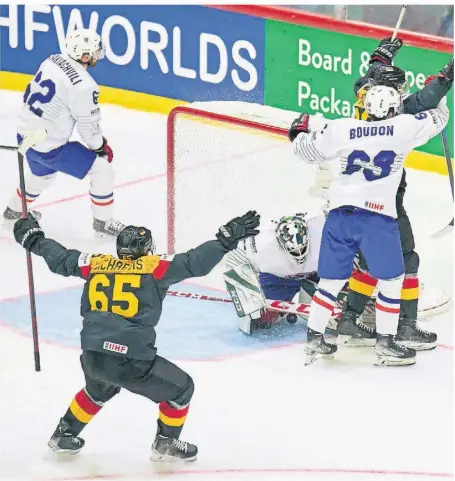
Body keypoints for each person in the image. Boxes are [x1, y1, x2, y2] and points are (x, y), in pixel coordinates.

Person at [13, 210, 260, 461]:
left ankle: (63, 434)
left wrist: (33, 238)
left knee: (98, 389)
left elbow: (61, 258)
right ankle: (166, 443)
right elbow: (195, 261)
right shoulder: (155, 267)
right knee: (182, 389)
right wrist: (224, 241)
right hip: (130, 361)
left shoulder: (94, 263)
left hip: (93, 355)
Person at [290, 84, 449, 366]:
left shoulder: (342, 128)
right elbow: (439, 117)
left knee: (330, 282)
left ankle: (314, 337)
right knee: (390, 281)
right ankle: (386, 343)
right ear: (391, 108)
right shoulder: (403, 127)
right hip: (377, 218)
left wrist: (298, 131)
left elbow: (304, 150)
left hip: (339, 217)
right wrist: (442, 94)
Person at [338, 38, 453, 350]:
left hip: (350, 198)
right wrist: (445, 81)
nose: (402, 93)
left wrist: (380, 57)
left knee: (369, 261)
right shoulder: (398, 121)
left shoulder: (364, 99)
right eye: (398, 89)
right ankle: (405, 327)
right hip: (386, 203)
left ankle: (348, 318)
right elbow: (426, 108)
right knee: (407, 259)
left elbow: (369, 78)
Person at [3, 29, 124, 237]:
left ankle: (14, 211)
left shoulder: (52, 60)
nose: (96, 56)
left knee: (42, 175)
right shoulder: (85, 86)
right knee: (102, 170)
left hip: (24, 135)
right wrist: (99, 147)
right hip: (48, 145)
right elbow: (88, 127)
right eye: (94, 52)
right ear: (85, 56)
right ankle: (103, 222)